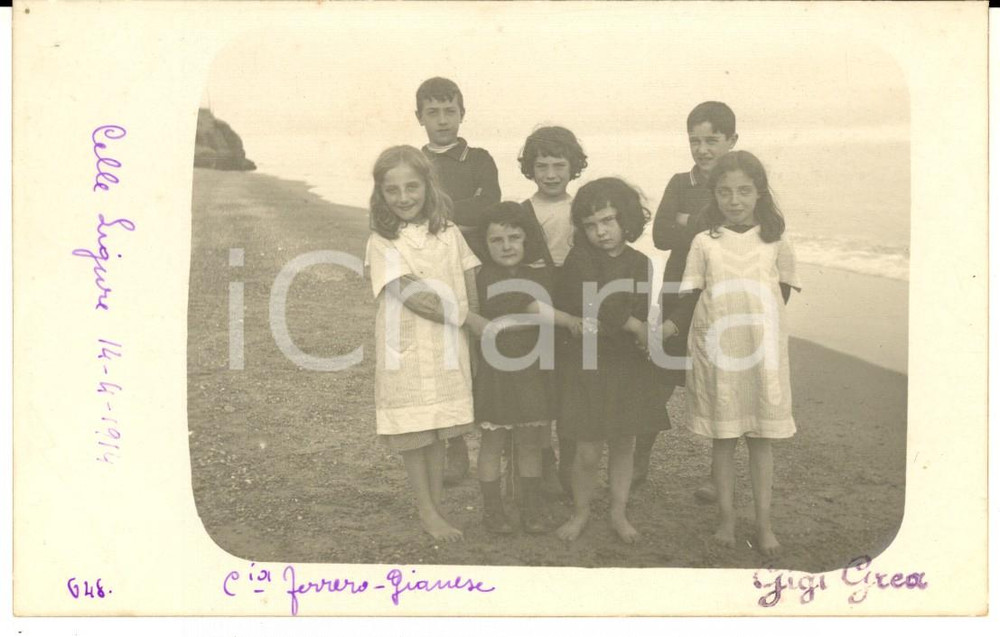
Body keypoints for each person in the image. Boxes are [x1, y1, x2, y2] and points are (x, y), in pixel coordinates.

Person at [364, 145, 490, 542]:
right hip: (406, 347)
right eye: (392, 190)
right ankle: (425, 509)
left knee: (437, 429)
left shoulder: (449, 233)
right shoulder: (382, 240)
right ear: (380, 194)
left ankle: (436, 507)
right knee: (414, 435)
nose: (403, 198)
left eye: (411, 187)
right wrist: (469, 319)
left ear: (428, 186)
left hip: (448, 346)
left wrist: (474, 327)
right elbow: (413, 295)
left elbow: (469, 279)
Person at [678, 150, 800, 557]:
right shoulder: (704, 242)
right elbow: (693, 295)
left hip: (762, 353)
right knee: (724, 437)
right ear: (714, 195)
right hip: (720, 353)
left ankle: (764, 523)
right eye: (726, 192)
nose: (735, 200)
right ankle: (727, 518)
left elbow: (779, 295)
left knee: (762, 441)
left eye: (744, 191)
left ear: (759, 193)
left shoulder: (776, 242)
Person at [554, 178, 666, 544]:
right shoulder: (579, 258)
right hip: (587, 362)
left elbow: (630, 306)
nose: (599, 232)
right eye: (590, 225)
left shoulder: (641, 262)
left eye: (607, 221)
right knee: (586, 449)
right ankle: (581, 511)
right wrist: (634, 326)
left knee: (624, 444)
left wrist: (631, 324)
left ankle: (619, 511)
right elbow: (595, 301)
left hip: (627, 365)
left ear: (627, 219)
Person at [646, 101, 739, 496]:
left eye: (712, 140)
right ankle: (638, 463)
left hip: (722, 290)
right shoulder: (679, 182)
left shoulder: (738, 184)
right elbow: (661, 236)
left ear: (732, 141)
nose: (702, 150)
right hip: (678, 287)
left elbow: (742, 232)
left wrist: (688, 221)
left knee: (721, 382)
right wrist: (706, 225)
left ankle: (716, 477)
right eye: (694, 141)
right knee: (657, 378)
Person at [473, 202, 583, 534]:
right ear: (485, 244)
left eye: (514, 238)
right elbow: (533, 312)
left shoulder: (536, 274)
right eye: (497, 240)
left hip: (533, 369)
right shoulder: (488, 277)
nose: (506, 246)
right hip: (500, 371)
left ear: (526, 240)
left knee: (531, 440)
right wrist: (568, 321)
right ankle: (492, 509)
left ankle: (530, 508)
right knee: (492, 442)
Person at [414, 77, 501, 485]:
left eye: (450, 111)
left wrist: (435, 209)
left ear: (463, 114)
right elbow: (406, 209)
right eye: (433, 112)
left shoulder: (479, 159)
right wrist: (456, 213)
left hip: (477, 267)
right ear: (419, 118)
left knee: (482, 353)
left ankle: (494, 434)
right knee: (445, 353)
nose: (443, 120)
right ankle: (454, 446)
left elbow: (489, 207)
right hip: (431, 268)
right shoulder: (413, 162)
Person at [516, 125, 589, 495]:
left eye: (559, 165)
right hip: (539, 309)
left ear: (573, 166)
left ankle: (571, 464)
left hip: (574, 305)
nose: (550, 174)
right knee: (541, 388)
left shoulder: (582, 209)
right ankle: (544, 460)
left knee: (573, 389)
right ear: (530, 168)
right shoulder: (522, 212)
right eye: (542, 165)